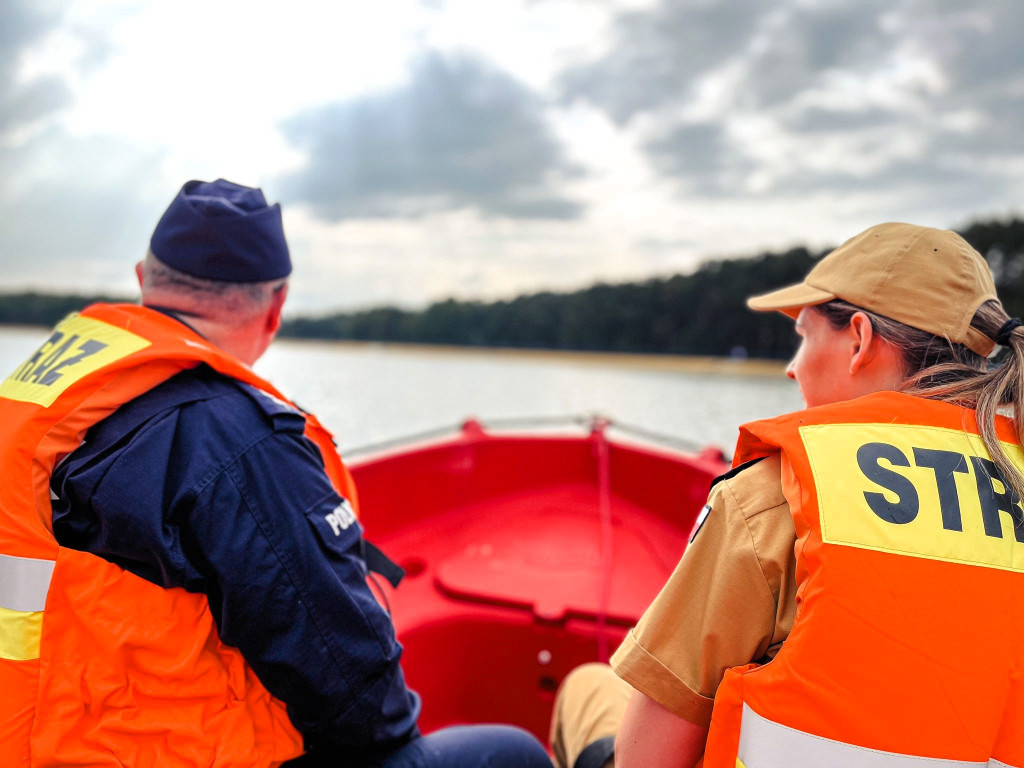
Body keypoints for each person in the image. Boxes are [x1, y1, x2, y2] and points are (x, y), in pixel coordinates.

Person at [0, 179, 552, 768]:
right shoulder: (234, 442)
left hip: (37, 737)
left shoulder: (46, 396)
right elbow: (362, 705)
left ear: (143, 279)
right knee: (511, 752)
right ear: (277, 306)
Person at [551, 222, 1024, 768]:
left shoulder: (777, 495)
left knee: (587, 688)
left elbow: (645, 762)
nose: (792, 367)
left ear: (859, 340)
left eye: (803, 334)